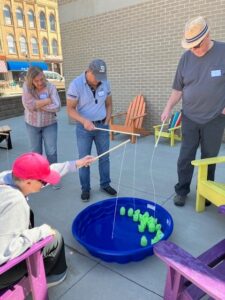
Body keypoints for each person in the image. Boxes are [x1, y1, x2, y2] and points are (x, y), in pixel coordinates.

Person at [0, 152, 94, 290]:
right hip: (3, 272)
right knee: (54, 238)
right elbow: (4, 252)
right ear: (28, 182)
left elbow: (45, 172)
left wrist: (76, 164)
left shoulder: (9, 178)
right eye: (43, 182)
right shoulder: (15, 203)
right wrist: (39, 233)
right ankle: (49, 277)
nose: (46, 184)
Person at [161, 16, 225, 207]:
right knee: (185, 156)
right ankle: (182, 190)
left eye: (197, 45)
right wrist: (168, 107)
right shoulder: (186, 58)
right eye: (191, 46)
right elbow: (177, 89)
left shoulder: (223, 52)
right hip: (189, 117)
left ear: (207, 36)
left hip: (214, 118)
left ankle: (206, 192)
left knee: (209, 158)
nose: (194, 50)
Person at [67, 59, 117, 201]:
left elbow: (109, 104)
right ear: (88, 71)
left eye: (101, 78)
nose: (98, 81)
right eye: (96, 78)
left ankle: (105, 184)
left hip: (102, 126)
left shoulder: (105, 82)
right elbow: (70, 109)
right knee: (84, 160)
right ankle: (85, 189)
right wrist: (84, 121)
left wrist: (107, 120)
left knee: (104, 157)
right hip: (84, 129)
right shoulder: (76, 84)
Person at [22, 67, 61, 189]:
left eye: (41, 79)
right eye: (36, 81)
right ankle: (37, 179)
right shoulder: (26, 87)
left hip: (50, 124)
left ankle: (52, 177)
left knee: (52, 152)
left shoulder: (51, 87)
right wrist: (47, 100)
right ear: (31, 81)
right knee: (35, 153)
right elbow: (28, 105)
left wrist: (37, 105)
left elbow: (57, 106)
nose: (40, 83)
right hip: (32, 125)